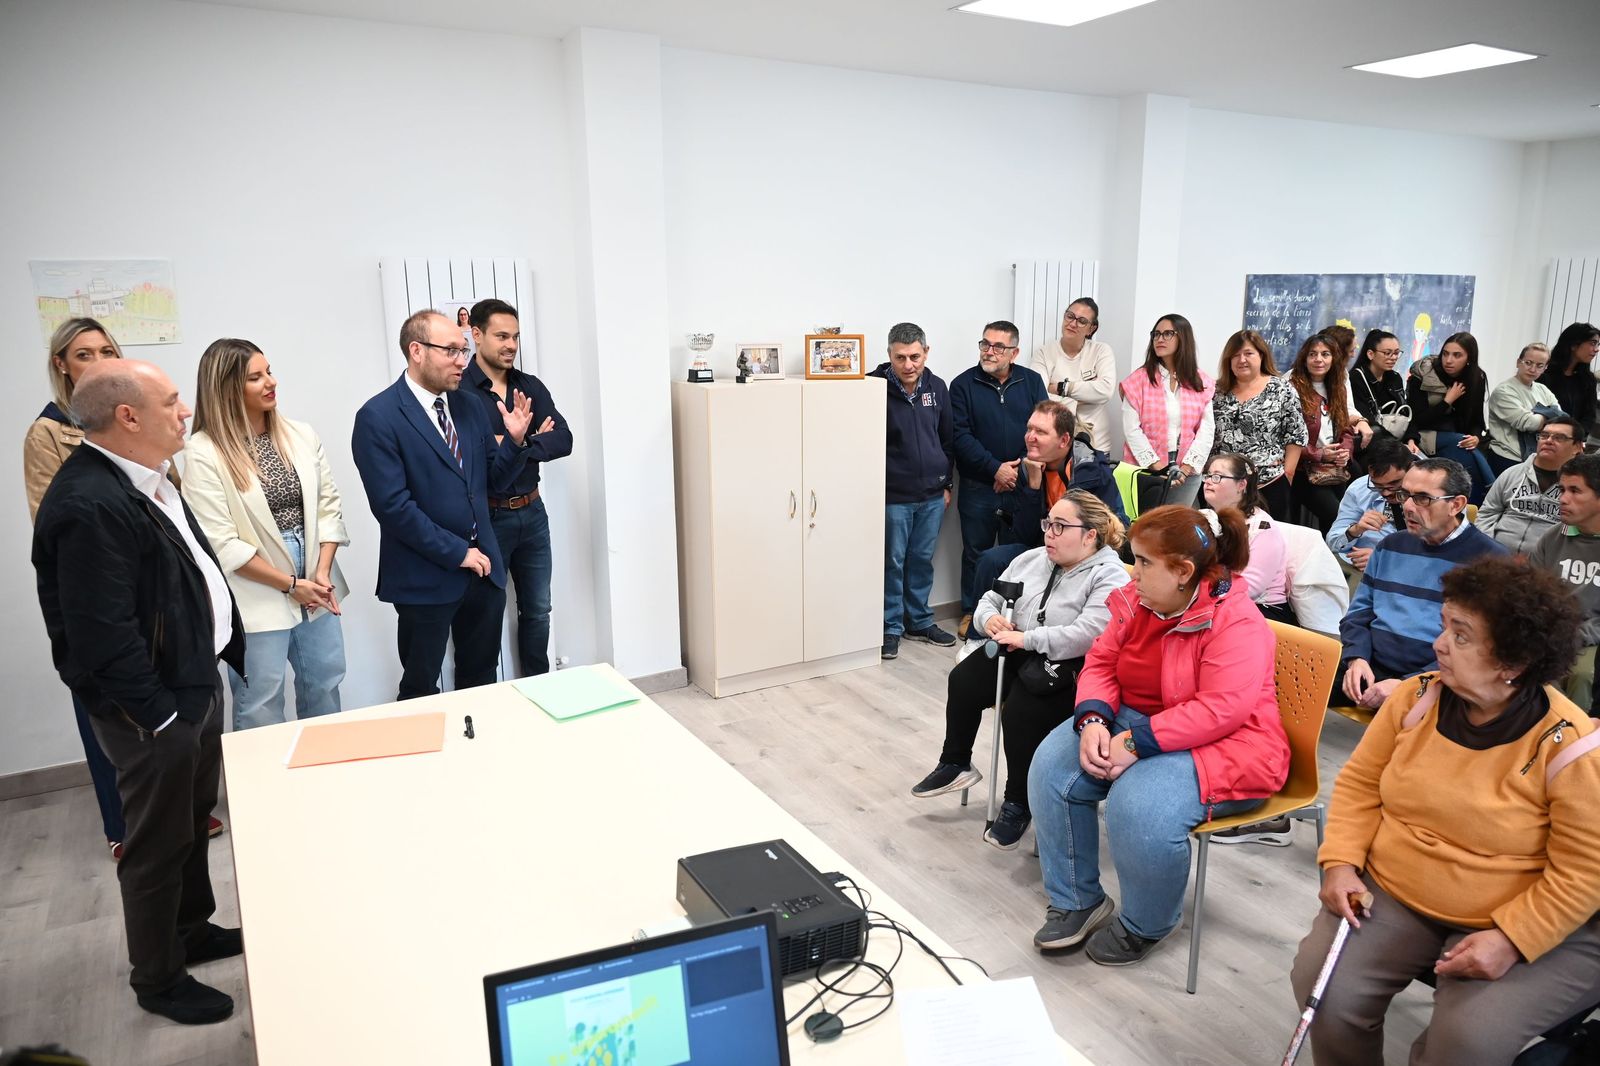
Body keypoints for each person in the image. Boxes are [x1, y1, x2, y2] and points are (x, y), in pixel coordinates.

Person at [1292, 557, 1600, 1066]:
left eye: (1462, 636)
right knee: (1325, 993)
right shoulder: (1414, 698)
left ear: (1513, 663)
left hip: (1509, 910)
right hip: (1398, 890)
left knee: (1467, 1042)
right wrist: (1341, 862)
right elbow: (1360, 786)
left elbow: (1585, 870)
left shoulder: (1568, 745)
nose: (1438, 645)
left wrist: (1514, 938)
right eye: (1444, 626)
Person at [32, 360, 247, 1025]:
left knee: (189, 823)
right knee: (154, 844)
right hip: (153, 708)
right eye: (172, 401)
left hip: (191, 680)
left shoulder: (149, 479)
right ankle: (157, 978)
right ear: (128, 416)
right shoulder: (88, 503)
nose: (186, 411)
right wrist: (159, 718)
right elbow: (101, 639)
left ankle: (191, 931)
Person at [1025, 504, 1289, 963]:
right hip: (1140, 721)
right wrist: (1092, 721)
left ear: (1184, 572)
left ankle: (1145, 924)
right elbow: (1102, 662)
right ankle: (1078, 901)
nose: (1134, 573)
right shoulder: (1139, 599)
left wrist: (1134, 742)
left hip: (1231, 744)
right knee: (1050, 768)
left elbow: (1220, 709)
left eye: (1145, 563)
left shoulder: (1236, 620)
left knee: (1138, 806)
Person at [910, 491, 1130, 849]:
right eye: (1048, 524)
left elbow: (1088, 635)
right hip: (1020, 647)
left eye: (1060, 526)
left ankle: (1018, 802)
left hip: (1073, 668)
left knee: (1020, 713)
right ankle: (957, 763)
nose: (1049, 534)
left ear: (1090, 535)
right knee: (963, 680)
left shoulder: (1110, 576)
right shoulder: (1032, 559)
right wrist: (989, 619)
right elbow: (989, 599)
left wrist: (1027, 638)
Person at [352, 309, 535, 700]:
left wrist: (516, 443)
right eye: (451, 350)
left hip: (484, 573)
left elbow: (492, 482)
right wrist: (458, 553)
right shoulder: (378, 417)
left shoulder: (468, 407)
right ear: (416, 351)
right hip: (424, 577)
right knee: (420, 685)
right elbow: (393, 508)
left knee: (480, 680)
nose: (462, 360)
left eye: (464, 349)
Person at [181, 339, 350, 730]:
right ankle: (264, 788)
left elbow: (329, 507)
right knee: (261, 698)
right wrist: (291, 584)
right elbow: (220, 543)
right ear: (226, 388)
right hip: (255, 584)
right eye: (255, 377)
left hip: (316, 574)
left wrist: (320, 572)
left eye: (269, 371)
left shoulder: (300, 435)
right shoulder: (203, 452)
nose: (270, 382)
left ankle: (324, 777)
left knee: (325, 680)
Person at [22, 318, 127, 861]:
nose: (98, 360)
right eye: (84, 353)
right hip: (93, 592)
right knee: (105, 707)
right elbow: (53, 523)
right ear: (62, 364)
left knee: (159, 708)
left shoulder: (131, 416)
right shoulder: (48, 433)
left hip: (147, 589)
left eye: (107, 350)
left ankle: (174, 809)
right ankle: (122, 826)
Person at [1337, 458, 1508, 710]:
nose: (1407, 506)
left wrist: (1411, 684)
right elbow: (1358, 613)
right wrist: (1356, 658)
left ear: (1456, 505)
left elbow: (1480, 648)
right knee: (1287, 690)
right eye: (1404, 494)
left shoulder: (1491, 563)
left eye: (1423, 498)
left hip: (1439, 681)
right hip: (1367, 667)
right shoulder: (1391, 545)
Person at [461, 298, 571, 678]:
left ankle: (540, 688)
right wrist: (520, 442)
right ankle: (484, 701)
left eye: (516, 337)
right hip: (488, 518)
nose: (510, 345)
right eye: (501, 336)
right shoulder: (461, 393)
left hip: (533, 514)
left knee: (538, 610)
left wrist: (517, 444)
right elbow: (481, 463)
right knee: (485, 618)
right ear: (476, 335)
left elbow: (565, 440)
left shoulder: (530, 386)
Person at [967, 400, 1125, 608]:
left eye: (1040, 432)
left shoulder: (1091, 471)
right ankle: (981, 633)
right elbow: (1024, 537)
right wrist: (1033, 486)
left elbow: (1108, 534)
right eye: (1029, 429)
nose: (1030, 437)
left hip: (1086, 550)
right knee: (991, 560)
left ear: (1064, 440)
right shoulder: (1028, 467)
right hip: (1046, 545)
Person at [950, 320, 1048, 637]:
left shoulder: (1031, 382)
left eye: (998, 346)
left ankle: (1010, 614)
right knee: (976, 553)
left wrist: (1016, 469)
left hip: (1021, 485)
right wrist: (995, 468)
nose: (989, 351)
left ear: (1014, 352)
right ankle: (972, 612)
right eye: (985, 344)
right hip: (980, 485)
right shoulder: (962, 385)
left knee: (1016, 554)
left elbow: (1042, 428)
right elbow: (960, 436)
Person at [869, 321, 955, 659]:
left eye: (915, 357)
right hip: (894, 497)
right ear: (889, 354)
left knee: (921, 560)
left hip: (932, 496)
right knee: (892, 561)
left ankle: (919, 620)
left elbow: (947, 440)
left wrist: (946, 483)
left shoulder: (937, 387)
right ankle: (890, 627)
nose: (909, 365)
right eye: (901, 357)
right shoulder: (872, 386)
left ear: (926, 353)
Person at [1120, 313, 1215, 511]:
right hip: (1145, 471)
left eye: (1167, 334)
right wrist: (1157, 467)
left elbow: (1206, 430)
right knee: (1142, 530)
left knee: (1175, 530)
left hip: (1186, 473)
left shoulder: (1201, 382)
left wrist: (1186, 469)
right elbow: (1131, 430)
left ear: (1183, 338)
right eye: (1156, 334)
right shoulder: (1137, 380)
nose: (1159, 339)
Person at [1530, 454, 1600, 714]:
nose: (1562, 499)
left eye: (1575, 491)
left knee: (1583, 676)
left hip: (1591, 640)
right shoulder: (1552, 537)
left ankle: (1576, 745)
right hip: (1552, 634)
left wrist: (1575, 636)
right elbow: (1532, 595)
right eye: (1562, 489)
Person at [1210, 330, 1306, 519]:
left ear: (1261, 355)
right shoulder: (1216, 391)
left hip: (1268, 482)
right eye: (1235, 355)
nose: (1241, 360)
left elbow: (1296, 434)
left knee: (1264, 541)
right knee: (1224, 539)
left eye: (1248, 353)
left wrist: (1288, 474)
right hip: (1222, 482)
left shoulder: (1281, 388)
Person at [1288, 332, 1371, 534]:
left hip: (1334, 466)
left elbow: (1345, 427)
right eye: (1312, 354)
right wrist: (1319, 454)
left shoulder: (1337, 384)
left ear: (1333, 358)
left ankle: (1334, 561)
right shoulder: (1290, 385)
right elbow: (1287, 436)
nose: (1319, 359)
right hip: (1303, 468)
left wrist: (1345, 453)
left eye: (1325, 354)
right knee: (1336, 516)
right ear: (1304, 358)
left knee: (1342, 516)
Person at [1199, 453, 1294, 624]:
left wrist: (1199, 595)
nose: (1208, 481)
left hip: (1262, 610)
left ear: (1241, 484)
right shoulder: (1206, 517)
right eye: (1207, 475)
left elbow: (1251, 587)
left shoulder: (1262, 527)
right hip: (1216, 599)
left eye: (1217, 477)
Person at [1477, 415, 1585, 555]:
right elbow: (1488, 513)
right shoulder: (1511, 473)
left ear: (1577, 447)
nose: (1549, 441)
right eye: (1544, 435)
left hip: (1547, 565)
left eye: (1559, 438)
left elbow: (1582, 528)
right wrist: (1488, 549)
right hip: (1497, 559)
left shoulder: (1581, 485)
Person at [1406, 332, 1494, 503]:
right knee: (1463, 450)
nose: (1449, 360)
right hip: (1424, 435)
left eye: (1457, 355)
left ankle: (1477, 506)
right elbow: (1417, 419)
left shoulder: (1476, 377)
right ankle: (1492, 490)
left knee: (1467, 455)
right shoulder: (1423, 374)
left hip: (1454, 437)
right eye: (1445, 353)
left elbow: (1476, 421)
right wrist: (1447, 401)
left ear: (1469, 358)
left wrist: (1475, 437)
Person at [1030, 298, 1117, 454]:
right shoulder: (1043, 353)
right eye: (1070, 316)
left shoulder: (1101, 351)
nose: (1073, 323)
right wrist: (1082, 396)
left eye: (1082, 321)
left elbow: (1105, 391)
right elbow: (1039, 396)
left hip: (1097, 447)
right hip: (1056, 447)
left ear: (1091, 329)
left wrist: (1061, 388)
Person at [1326, 437, 1412, 577]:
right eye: (1378, 486)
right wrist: (1354, 530)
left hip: (1407, 568)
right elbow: (1333, 543)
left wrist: (1385, 558)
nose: (1386, 492)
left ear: (1411, 469)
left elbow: (1439, 549)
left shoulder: (1429, 492)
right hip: (1360, 565)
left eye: (1394, 484)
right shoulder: (1359, 489)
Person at [1485, 342, 1564, 475]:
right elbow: (1528, 423)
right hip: (1508, 458)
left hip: (1536, 457)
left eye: (1539, 366)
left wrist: (1536, 414)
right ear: (1518, 362)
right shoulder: (1503, 391)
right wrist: (1547, 413)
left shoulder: (1542, 389)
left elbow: (1561, 418)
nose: (1533, 369)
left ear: (1545, 368)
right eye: (1528, 363)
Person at [1350, 329, 1408, 442]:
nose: (1394, 357)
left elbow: (1405, 412)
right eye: (1387, 353)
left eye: (1396, 353)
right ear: (1370, 354)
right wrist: (1397, 445)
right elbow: (1367, 418)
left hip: (1396, 437)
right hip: (1371, 439)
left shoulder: (1395, 378)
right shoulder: (1356, 378)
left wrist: (1411, 439)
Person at [1544, 322, 1600, 438]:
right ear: (1574, 345)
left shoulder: (1588, 380)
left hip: (1574, 441)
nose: (1597, 349)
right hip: (1547, 438)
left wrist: (1576, 437)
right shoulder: (1545, 376)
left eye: (1598, 344)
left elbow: (1589, 415)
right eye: (1593, 343)